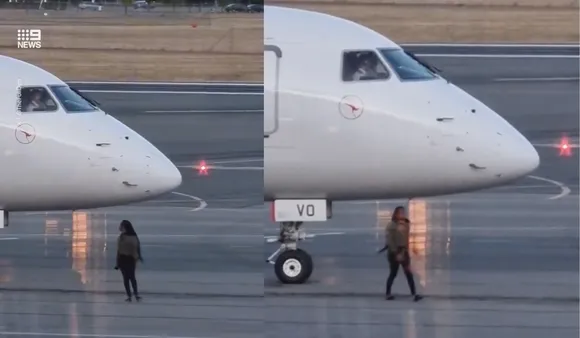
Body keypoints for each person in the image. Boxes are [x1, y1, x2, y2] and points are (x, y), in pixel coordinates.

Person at [380, 206, 422, 302]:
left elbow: (406, 238)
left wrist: (408, 249)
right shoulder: (392, 226)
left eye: (403, 212)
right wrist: (395, 253)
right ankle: (388, 293)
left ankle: (414, 294)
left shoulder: (405, 224)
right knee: (393, 273)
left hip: (404, 251)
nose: (402, 214)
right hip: (394, 252)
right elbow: (390, 240)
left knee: (408, 273)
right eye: (400, 213)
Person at [114, 220, 143, 302]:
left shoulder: (124, 237)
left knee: (130, 277)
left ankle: (133, 295)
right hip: (126, 259)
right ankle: (132, 295)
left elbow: (135, 247)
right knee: (128, 278)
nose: (119, 227)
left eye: (121, 226)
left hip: (128, 259)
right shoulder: (129, 236)